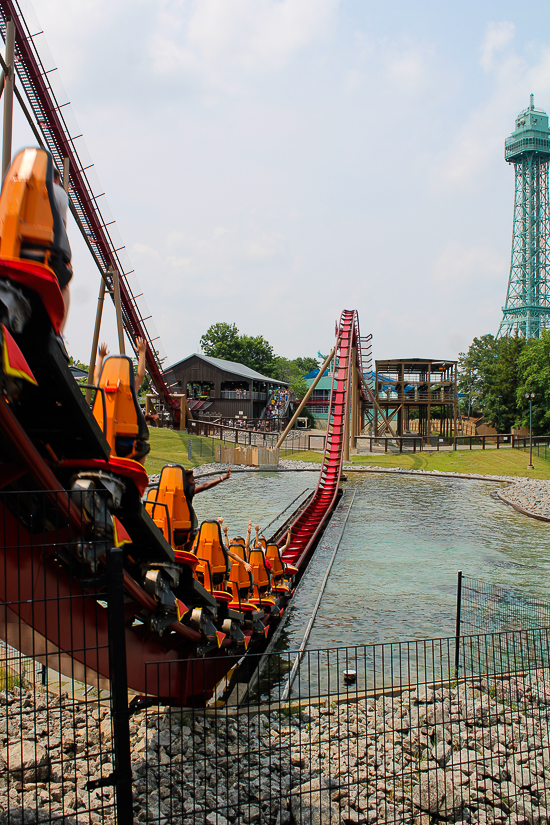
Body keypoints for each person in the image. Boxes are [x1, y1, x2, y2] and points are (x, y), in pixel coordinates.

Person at [52, 168, 72, 336]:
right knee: (64, 284)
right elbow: (62, 229)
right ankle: (60, 332)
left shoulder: (25, 186)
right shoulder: (60, 193)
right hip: (48, 250)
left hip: (16, 248)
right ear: (57, 178)